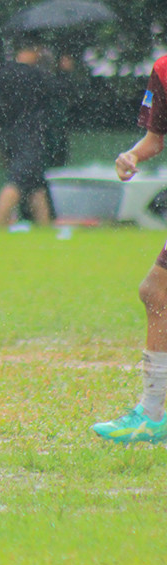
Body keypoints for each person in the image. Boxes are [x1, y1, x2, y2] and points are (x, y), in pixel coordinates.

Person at [91, 54, 167, 444]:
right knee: (156, 292)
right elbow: (156, 139)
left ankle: (154, 415)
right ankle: (153, 413)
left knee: (156, 292)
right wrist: (133, 155)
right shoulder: (163, 70)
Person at [0, 34, 62, 227]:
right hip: (31, 137)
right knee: (16, 182)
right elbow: (59, 93)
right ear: (33, 50)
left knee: (36, 185)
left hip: (8, 138)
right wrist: (62, 71)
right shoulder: (37, 76)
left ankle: (44, 229)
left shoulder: (3, 73)